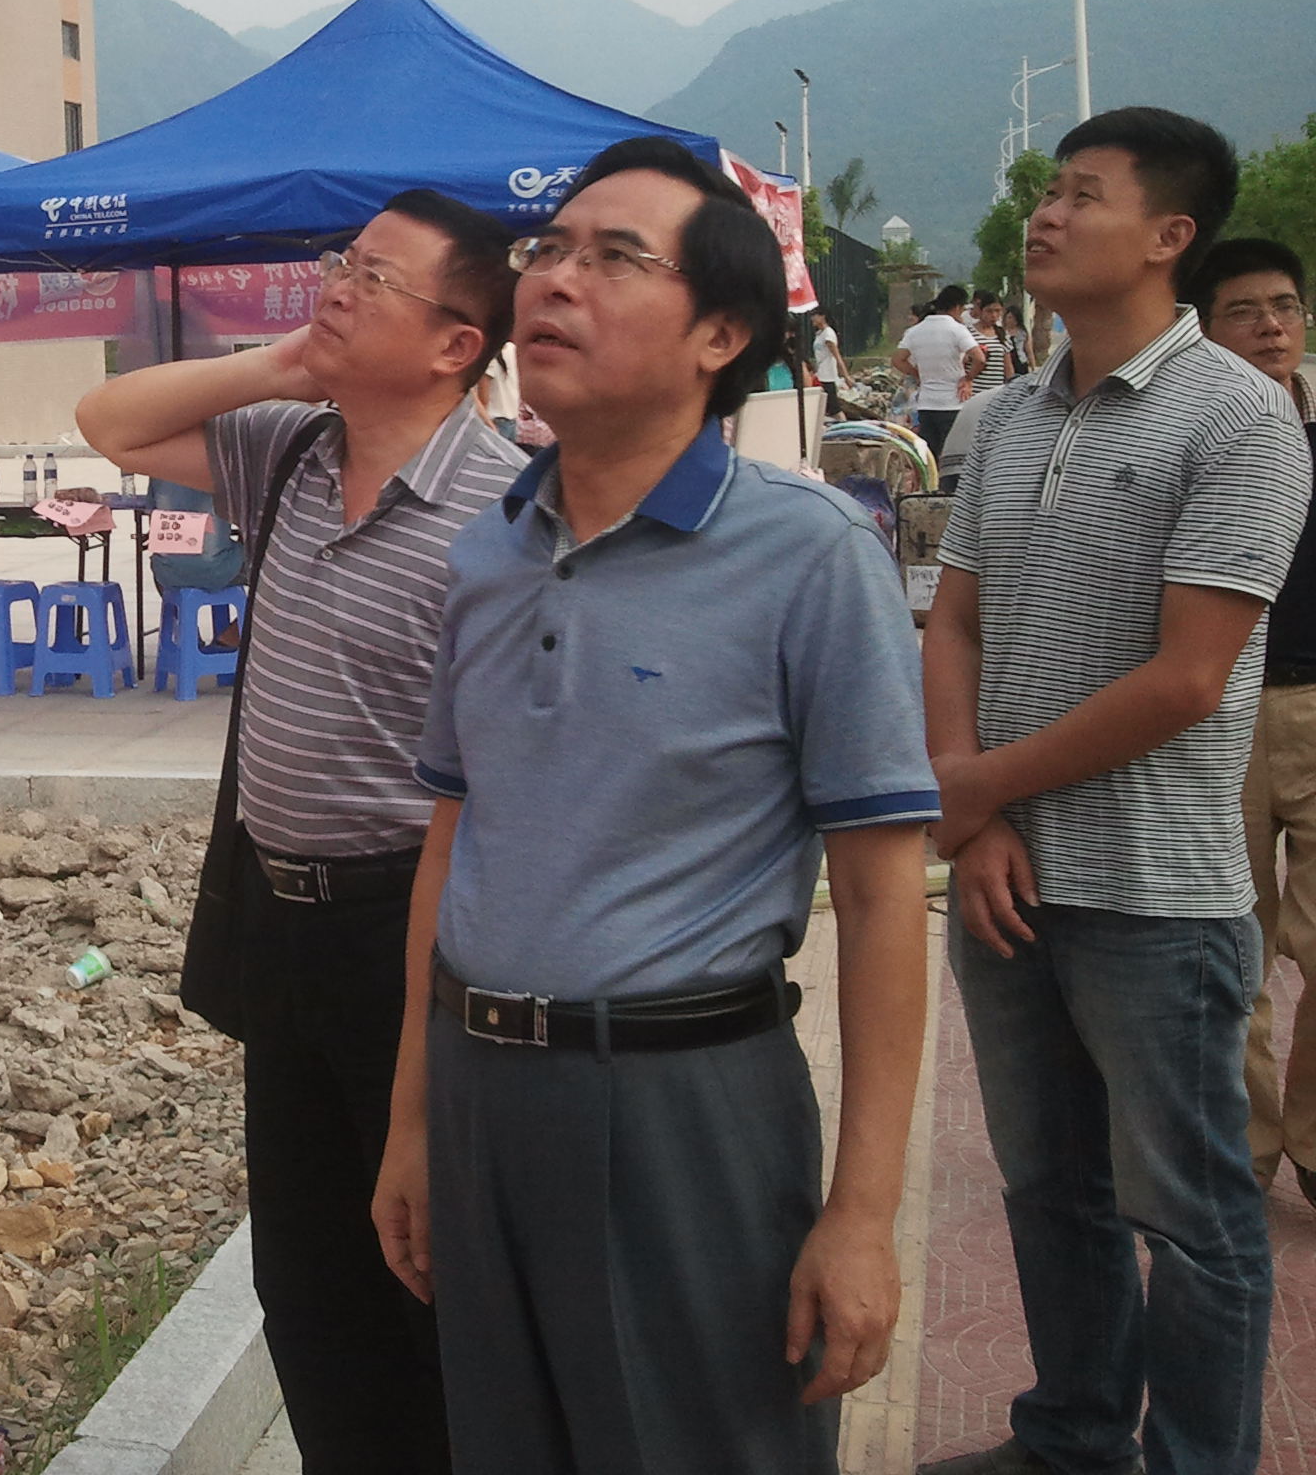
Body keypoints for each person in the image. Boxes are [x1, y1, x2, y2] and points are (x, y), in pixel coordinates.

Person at [372, 136, 932, 1475]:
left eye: (615, 258)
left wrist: (862, 1216)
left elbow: (879, 894)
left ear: (719, 335)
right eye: (547, 251)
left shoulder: (810, 555)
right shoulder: (489, 554)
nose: (554, 282)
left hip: (684, 1105)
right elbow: (451, 843)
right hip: (481, 1088)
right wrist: (413, 1123)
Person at [78, 190, 521, 1475]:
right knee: (309, 1280)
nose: (336, 286)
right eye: (342, 262)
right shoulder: (287, 449)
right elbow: (108, 422)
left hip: (413, 926)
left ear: (455, 345)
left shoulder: (506, 513)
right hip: (278, 918)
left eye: (375, 280)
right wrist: (286, 362)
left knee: (424, 1265)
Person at [920, 109, 1311, 1475]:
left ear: (1166, 236)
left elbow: (1187, 679)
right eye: (1049, 190)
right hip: (1007, 879)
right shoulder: (1003, 417)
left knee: (1192, 1216)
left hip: (1157, 891)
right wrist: (979, 819)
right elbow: (955, 621)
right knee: (1049, 1190)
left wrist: (973, 790)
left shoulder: (1242, 420)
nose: (1046, 214)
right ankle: (1074, 1437)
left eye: (1082, 194)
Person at [1190, 236, 1316, 1201]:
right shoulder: (1190, 439)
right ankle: (1247, 1146)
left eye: (1285, 306)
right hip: (1215, 712)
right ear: (1203, 328)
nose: (1271, 326)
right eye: (1245, 311)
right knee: (1231, 952)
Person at [145, 477, 247, 649]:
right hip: (219, 568)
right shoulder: (224, 468)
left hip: (167, 573)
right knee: (278, 575)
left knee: (161, 564)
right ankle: (230, 637)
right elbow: (247, 515)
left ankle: (190, 635)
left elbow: (153, 519)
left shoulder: (157, 471)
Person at [896, 284, 984, 458]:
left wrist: (918, 374)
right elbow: (980, 358)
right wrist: (968, 378)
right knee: (952, 454)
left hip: (926, 404)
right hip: (953, 402)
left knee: (930, 455)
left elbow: (898, 360)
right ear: (957, 307)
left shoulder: (915, 331)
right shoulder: (957, 330)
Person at [810, 303, 847, 415]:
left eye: (815, 315)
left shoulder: (828, 334)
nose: (812, 318)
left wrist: (846, 376)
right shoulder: (819, 334)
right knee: (825, 408)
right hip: (821, 374)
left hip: (828, 376)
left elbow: (837, 356)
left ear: (823, 316)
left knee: (834, 408)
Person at [971, 289, 1014, 382]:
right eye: (989, 311)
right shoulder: (968, 333)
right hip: (974, 388)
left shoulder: (1003, 334)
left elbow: (1008, 366)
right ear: (981, 311)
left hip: (996, 387)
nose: (994, 315)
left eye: (997, 311)